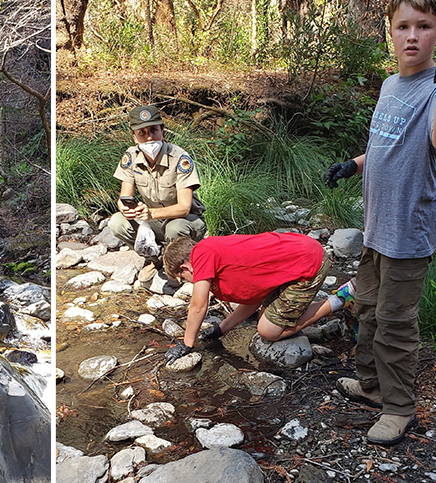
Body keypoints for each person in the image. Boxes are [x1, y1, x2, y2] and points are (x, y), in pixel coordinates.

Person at [324, 0, 436, 446]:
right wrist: (355, 165)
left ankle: (400, 407)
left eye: (424, 27)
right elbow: (385, 146)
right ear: (389, 31)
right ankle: (371, 386)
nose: (412, 36)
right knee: (366, 308)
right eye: (403, 26)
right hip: (377, 227)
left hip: (409, 228)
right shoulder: (390, 85)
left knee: (396, 322)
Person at [161, 232, 355, 364]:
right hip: (295, 258)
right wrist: (221, 329)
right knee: (266, 318)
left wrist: (186, 343)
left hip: (308, 264)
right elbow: (252, 299)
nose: (188, 283)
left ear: (186, 268)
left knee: (268, 331)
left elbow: (198, 306)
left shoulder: (201, 254)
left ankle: (341, 298)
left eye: (183, 279)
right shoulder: (214, 256)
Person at [109, 104, 206, 284]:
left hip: (186, 221)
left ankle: (178, 267)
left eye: (154, 130)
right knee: (116, 222)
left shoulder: (179, 158)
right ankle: (157, 260)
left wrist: (151, 214)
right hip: (153, 219)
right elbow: (124, 197)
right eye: (142, 133)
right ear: (134, 136)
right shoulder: (130, 157)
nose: (149, 137)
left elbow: (184, 208)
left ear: (163, 131)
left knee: (175, 228)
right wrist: (124, 208)